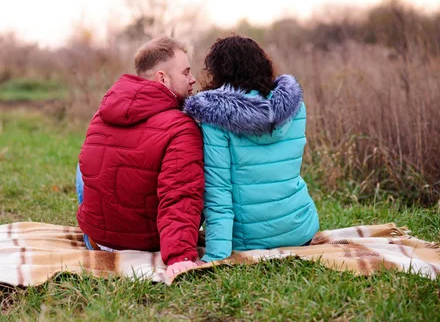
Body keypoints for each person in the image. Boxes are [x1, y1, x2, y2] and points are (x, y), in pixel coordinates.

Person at [76, 35, 205, 277]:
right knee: (190, 170)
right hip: (147, 243)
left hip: (97, 240)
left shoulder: (103, 113)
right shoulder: (182, 126)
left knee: (94, 157)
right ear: (162, 78)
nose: (193, 79)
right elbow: (179, 194)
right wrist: (181, 257)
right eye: (186, 72)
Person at [183, 35, 319, 263]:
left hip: (248, 240)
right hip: (301, 229)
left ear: (219, 73)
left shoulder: (216, 116)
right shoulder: (294, 106)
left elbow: (219, 192)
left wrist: (216, 256)